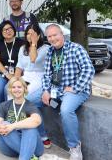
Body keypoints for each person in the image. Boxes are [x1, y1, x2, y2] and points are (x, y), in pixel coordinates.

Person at [41, 24, 94, 160]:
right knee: (30, 99)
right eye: (49, 36)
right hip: (55, 90)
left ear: (62, 34)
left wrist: (75, 87)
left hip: (76, 90)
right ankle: (42, 135)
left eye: (55, 35)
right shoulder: (50, 51)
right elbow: (46, 75)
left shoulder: (76, 48)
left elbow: (89, 70)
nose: (53, 39)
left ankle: (75, 148)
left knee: (65, 110)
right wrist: (45, 91)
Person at [15, 24, 51, 147]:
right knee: (9, 91)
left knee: (27, 101)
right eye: (28, 33)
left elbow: (33, 59)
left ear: (39, 35)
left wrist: (34, 44)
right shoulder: (22, 48)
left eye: (33, 33)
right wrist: (15, 81)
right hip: (26, 77)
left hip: (40, 78)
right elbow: (19, 66)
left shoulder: (46, 48)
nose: (30, 36)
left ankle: (42, 135)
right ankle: (18, 128)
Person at [0, 77, 44, 160]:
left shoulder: (30, 105)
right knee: (4, 124)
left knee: (30, 128)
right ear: (10, 89)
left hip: (31, 144)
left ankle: (25, 156)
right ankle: (29, 155)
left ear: (24, 88)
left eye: (19, 87)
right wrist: (0, 128)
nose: (16, 89)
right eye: (13, 87)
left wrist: (13, 126)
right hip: (9, 147)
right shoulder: (3, 105)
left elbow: (37, 120)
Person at [0, 20, 24, 117]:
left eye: (10, 28)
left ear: (14, 29)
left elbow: (24, 60)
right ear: (1, 33)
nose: (8, 31)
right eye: (5, 30)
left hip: (19, 73)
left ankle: (10, 115)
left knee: (8, 90)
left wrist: (15, 76)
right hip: (4, 72)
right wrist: (7, 74)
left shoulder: (22, 42)